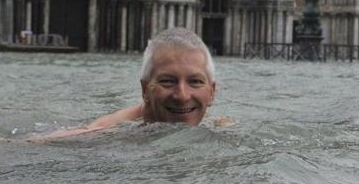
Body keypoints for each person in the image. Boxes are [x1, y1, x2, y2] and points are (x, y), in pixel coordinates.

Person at [25, 27, 221, 142]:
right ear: (145, 90)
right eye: (167, 81)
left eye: (195, 81)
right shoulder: (108, 131)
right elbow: (37, 144)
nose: (182, 96)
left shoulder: (219, 124)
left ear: (212, 93)